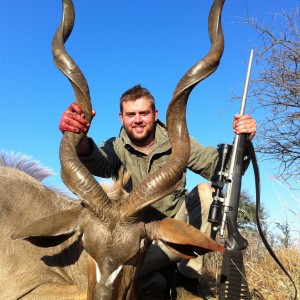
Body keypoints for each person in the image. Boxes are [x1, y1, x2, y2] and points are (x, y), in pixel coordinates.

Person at [59, 84, 257, 299]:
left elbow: (217, 167)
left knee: (208, 194)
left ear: (155, 114)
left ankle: (186, 279)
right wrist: (78, 141)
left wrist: (242, 144)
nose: (137, 120)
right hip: (138, 236)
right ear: (121, 118)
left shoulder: (178, 142)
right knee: (138, 280)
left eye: (143, 113)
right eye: (130, 114)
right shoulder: (115, 146)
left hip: (176, 229)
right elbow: (99, 162)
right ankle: (160, 281)